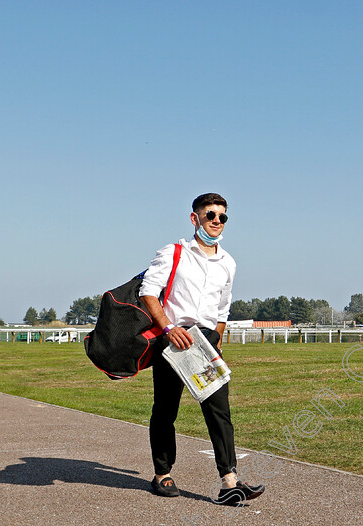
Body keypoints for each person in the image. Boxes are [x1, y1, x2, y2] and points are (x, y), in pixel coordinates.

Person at [139, 192, 264, 504]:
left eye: (222, 217)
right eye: (210, 215)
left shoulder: (228, 262)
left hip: (206, 341)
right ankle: (162, 474)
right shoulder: (174, 252)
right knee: (166, 409)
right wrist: (168, 328)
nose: (217, 222)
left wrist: (217, 337)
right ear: (194, 218)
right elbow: (148, 292)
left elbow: (223, 308)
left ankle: (229, 481)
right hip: (175, 337)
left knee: (219, 409)